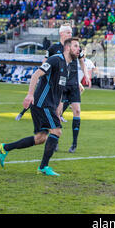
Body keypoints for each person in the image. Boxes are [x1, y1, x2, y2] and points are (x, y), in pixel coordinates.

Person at [0, 38, 81, 176]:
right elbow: (36, 74)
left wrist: (59, 107)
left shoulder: (67, 66)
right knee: (56, 131)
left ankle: (5, 148)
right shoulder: (55, 60)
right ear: (67, 48)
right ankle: (43, 167)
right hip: (42, 103)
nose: (79, 49)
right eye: (76, 46)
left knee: (40, 138)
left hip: (49, 105)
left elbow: (60, 89)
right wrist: (30, 95)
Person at [45, 24, 91, 153]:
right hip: (60, 85)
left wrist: (86, 75)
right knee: (57, 112)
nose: (70, 35)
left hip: (74, 84)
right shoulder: (54, 48)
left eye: (71, 32)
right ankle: (55, 141)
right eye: (68, 32)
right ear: (61, 34)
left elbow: (82, 61)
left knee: (77, 111)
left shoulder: (75, 47)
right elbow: (45, 63)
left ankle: (74, 144)